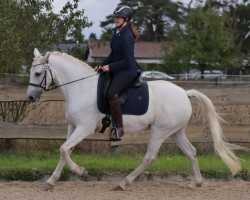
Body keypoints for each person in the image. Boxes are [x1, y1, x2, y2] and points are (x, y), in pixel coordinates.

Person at [95, 5, 140, 141]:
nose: (116, 19)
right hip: (118, 68)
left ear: (126, 19)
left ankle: (119, 128)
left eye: (119, 17)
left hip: (127, 71)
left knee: (110, 94)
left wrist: (110, 67)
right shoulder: (117, 32)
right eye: (115, 17)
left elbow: (127, 61)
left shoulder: (127, 36)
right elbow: (113, 54)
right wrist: (102, 65)